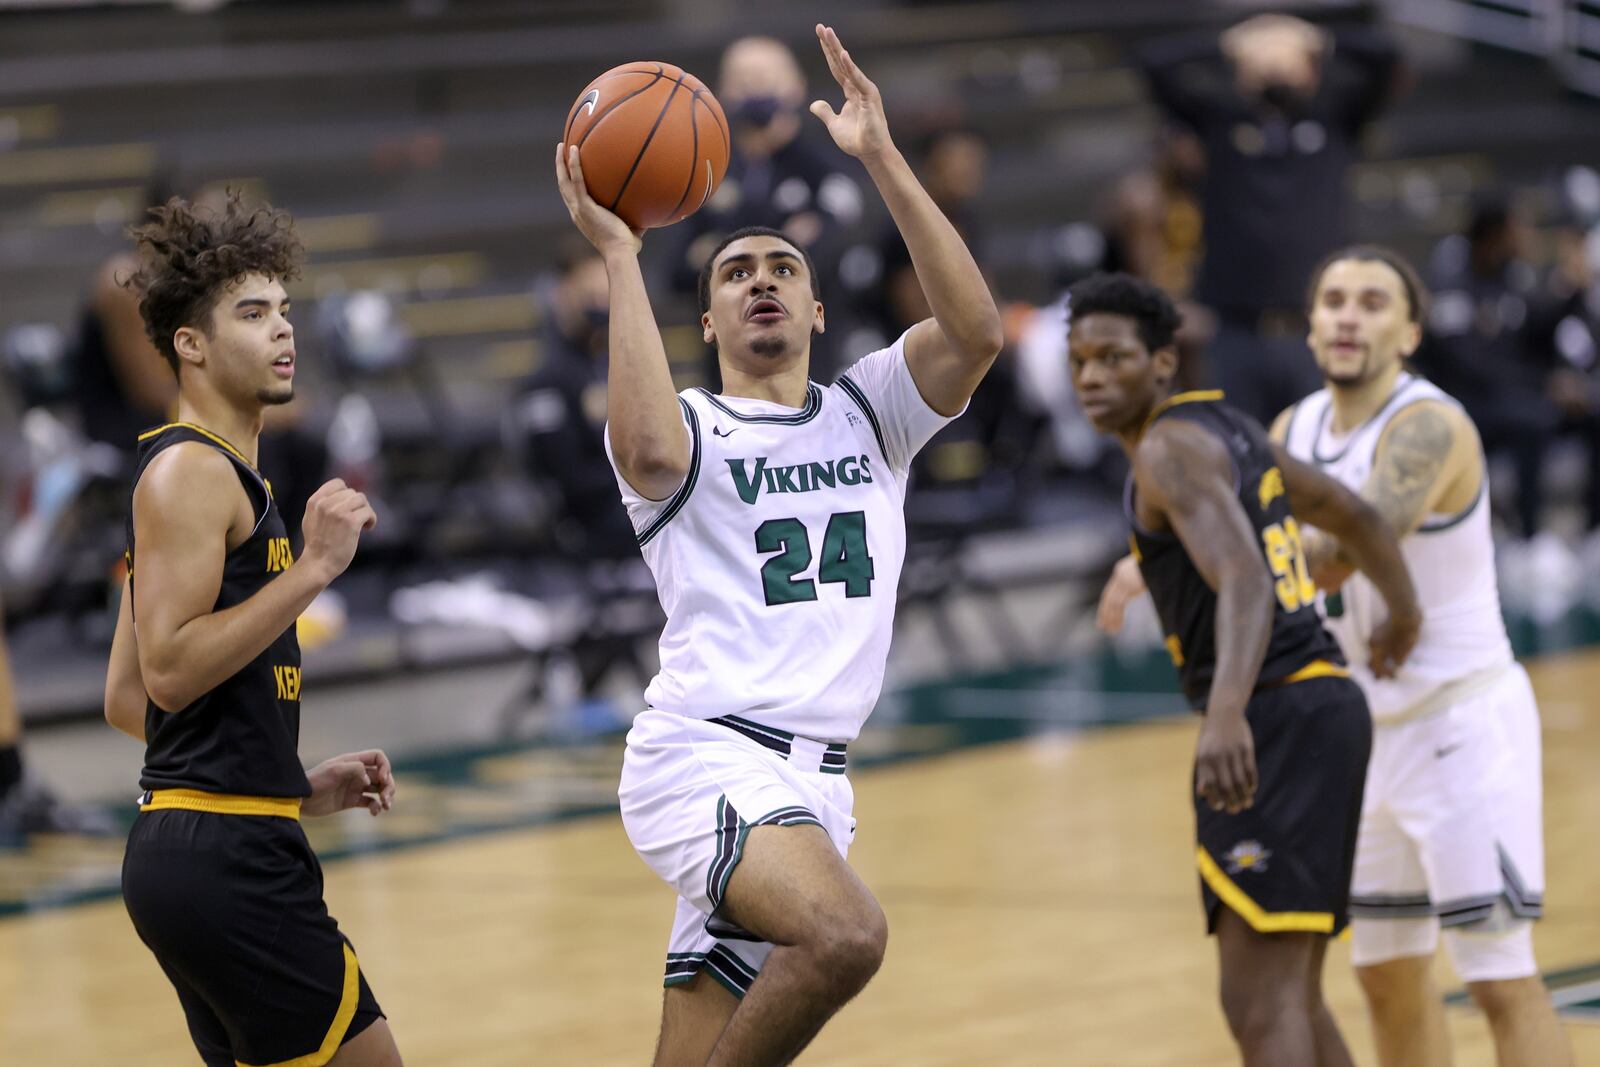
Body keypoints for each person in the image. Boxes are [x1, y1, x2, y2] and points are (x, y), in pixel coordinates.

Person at [555, 24, 1002, 1066]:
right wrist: (619, 253)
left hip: (816, 787)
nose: (760, 279)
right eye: (734, 272)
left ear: (814, 303)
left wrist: (880, 157)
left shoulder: (869, 412)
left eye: (782, 266)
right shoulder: (692, 425)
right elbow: (646, 450)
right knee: (846, 934)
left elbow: (975, 332)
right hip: (706, 754)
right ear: (706, 321)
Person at [1075, 271, 1420, 1066]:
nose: (1093, 376)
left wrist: (1226, 709)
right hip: (1321, 707)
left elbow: (1245, 577)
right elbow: (1351, 513)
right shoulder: (1228, 429)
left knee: (1260, 1002)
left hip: (1276, 711)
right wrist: (1403, 609)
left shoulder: (1166, 449)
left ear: (1163, 363)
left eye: (1115, 357)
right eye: (1081, 360)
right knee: (1291, 994)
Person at [102, 192, 404, 1067]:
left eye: (283, 310)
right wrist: (313, 569)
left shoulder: (214, 473)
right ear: (190, 345)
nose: (283, 331)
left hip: (206, 841)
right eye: (251, 312)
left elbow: (126, 700)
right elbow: (166, 672)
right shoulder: (191, 472)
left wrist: (290, 786)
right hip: (226, 861)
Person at [1277, 248, 1570, 1067]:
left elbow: (1344, 546)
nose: (1346, 316)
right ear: (1308, 327)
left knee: (1498, 977)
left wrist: (1242, 536)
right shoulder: (1292, 429)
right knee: (1386, 977)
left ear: (1408, 333)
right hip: (1368, 742)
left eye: (1372, 303)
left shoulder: (1429, 424)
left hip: (1463, 726)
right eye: (1333, 299)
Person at [1138, 12, 1402, 424]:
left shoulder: (1334, 122)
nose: (1276, 63)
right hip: (1237, 331)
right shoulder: (1221, 125)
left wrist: (1317, 40)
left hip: (1315, 329)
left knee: (1319, 458)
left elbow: (1388, 60)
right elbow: (1154, 65)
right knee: (1242, 459)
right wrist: (1230, 44)